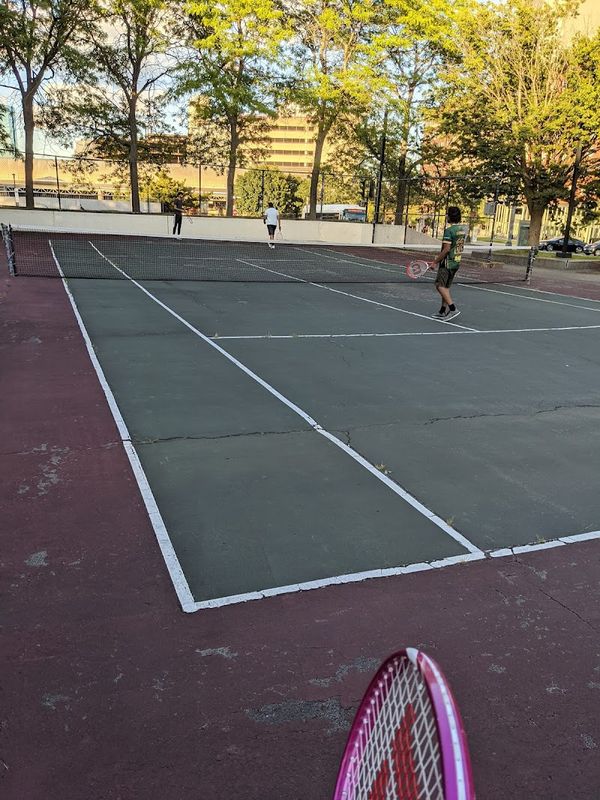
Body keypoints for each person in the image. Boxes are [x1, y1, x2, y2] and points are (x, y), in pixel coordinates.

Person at [431, 206, 466, 320]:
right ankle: (442, 311)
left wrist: (435, 262)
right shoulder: (462, 230)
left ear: (450, 216)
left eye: (447, 214)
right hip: (456, 262)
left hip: (447, 263)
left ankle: (452, 309)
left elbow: (446, 249)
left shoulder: (449, 231)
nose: (446, 216)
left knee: (439, 286)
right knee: (445, 287)